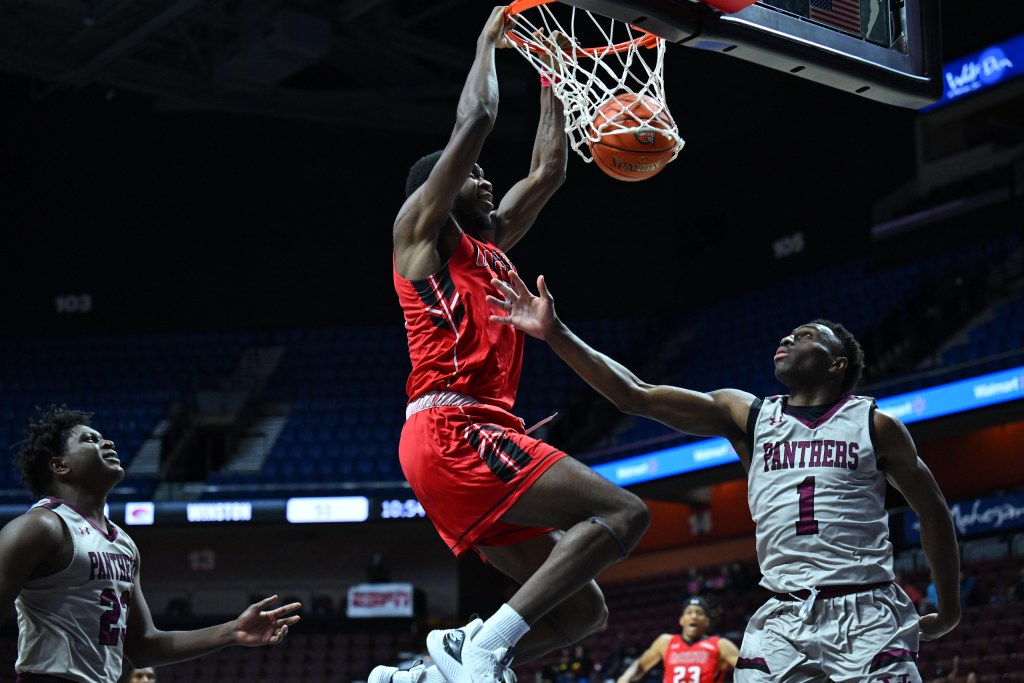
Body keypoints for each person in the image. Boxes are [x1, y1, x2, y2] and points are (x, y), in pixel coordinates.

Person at [487, 271, 962, 682]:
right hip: (782, 611)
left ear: (837, 364)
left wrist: (951, 607)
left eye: (808, 336)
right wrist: (555, 332)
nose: (791, 339)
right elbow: (636, 395)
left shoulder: (875, 425)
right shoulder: (748, 415)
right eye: (791, 334)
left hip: (865, 607)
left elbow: (933, 510)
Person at [372, 6, 651, 683]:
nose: (485, 178)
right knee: (623, 510)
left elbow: (551, 170)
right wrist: (489, 41)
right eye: (471, 174)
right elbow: (475, 122)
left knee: (581, 610)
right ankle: (484, 648)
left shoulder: (488, 245)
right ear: (435, 191)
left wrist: (556, 77)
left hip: (468, 436)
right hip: (452, 428)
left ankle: (428, 672)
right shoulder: (419, 237)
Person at [0, 405, 302, 683]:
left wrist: (232, 631)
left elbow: (144, 647)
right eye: (90, 440)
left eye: (104, 438)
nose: (108, 443)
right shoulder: (41, 526)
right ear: (60, 465)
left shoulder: (124, 544)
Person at [615, 596, 738, 683]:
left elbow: (749, 671)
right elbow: (641, 666)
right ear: (681, 620)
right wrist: (626, 677)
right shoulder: (665, 642)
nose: (694, 616)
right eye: (689, 612)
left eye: (699, 613)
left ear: (707, 622)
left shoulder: (721, 645)